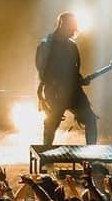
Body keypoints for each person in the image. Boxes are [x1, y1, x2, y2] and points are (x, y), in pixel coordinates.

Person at [36, 12, 98, 145]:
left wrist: (80, 79)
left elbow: (74, 70)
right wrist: (55, 84)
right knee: (52, 122)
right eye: (71, 28)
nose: (73, 31)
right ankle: (46, 155)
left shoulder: (72, 46)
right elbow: (42, 71)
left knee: (90, 120)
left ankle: (92, 156)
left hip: (73, 91)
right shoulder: (47, 45)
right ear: (62, 25)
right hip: (55, 91)